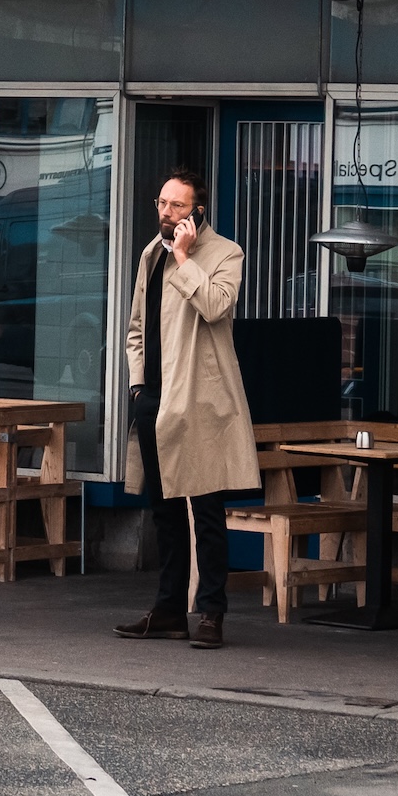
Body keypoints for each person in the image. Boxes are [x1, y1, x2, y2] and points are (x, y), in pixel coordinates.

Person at [114, 172, 253, 650]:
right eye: (162, 203)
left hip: (199, 401)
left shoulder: (225, 253)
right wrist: (137, 386)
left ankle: (212, 612)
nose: (166, 213)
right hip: (155, 398)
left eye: (176, 206)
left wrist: (184, 258)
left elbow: (216, 306)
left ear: (198, 212)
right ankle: (169, 609)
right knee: (165, 510)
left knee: (206, 510)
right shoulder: (150, 253)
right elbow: (136, 326)